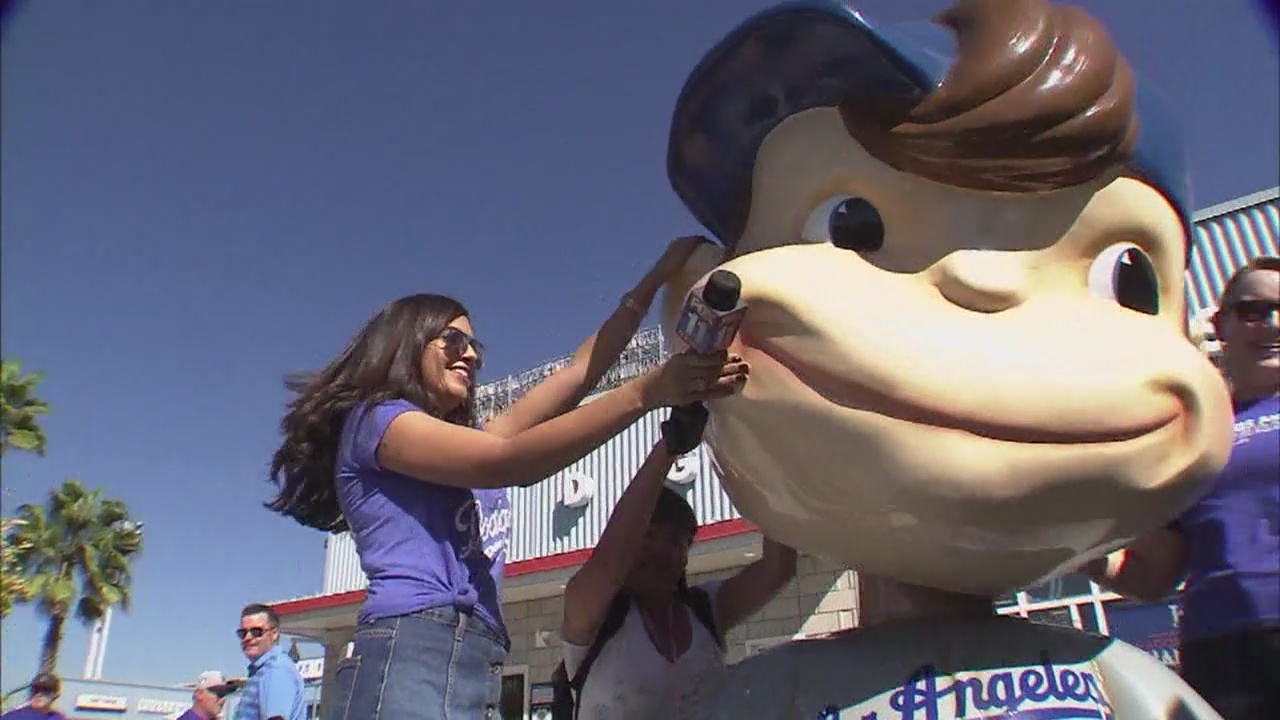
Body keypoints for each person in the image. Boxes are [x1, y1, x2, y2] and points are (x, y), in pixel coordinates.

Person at [266, 237, 748, 720]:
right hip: (415, 646)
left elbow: (582, 372)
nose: (471, 355)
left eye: (475, 345)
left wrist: (656, 278)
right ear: (404, 343)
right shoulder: (379, 421)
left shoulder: (473, 441)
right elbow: (511, 461)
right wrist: (649, 391)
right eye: (453, 340)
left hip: (479, 654)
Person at [1084, 255, 1280, 719]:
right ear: (1221, 324)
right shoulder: (1192, 435)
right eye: (1254, 310)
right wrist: (1067, 546)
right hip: (1223, 650)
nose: (1272, 323)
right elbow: (1154, 576)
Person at [556, 405, 796, 719]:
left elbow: (778, 570)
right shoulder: (592, 617)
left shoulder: (704, 610)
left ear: (685, 557)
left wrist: (775, 466)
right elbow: (607, 566)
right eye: (649, 536)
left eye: (674, 541)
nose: (660, 552)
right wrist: (670, 446)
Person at [234, 604, 305, 720]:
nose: (247, 637)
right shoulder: (263, 670)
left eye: (256, 632)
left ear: (274, 633)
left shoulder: (276, 669)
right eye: (243, 633)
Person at [0, 673, 64, 720]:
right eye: (35, 690)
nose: (38, 694)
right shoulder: (12, 716)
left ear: (56, 695)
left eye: (45, 690)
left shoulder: (58, 717)